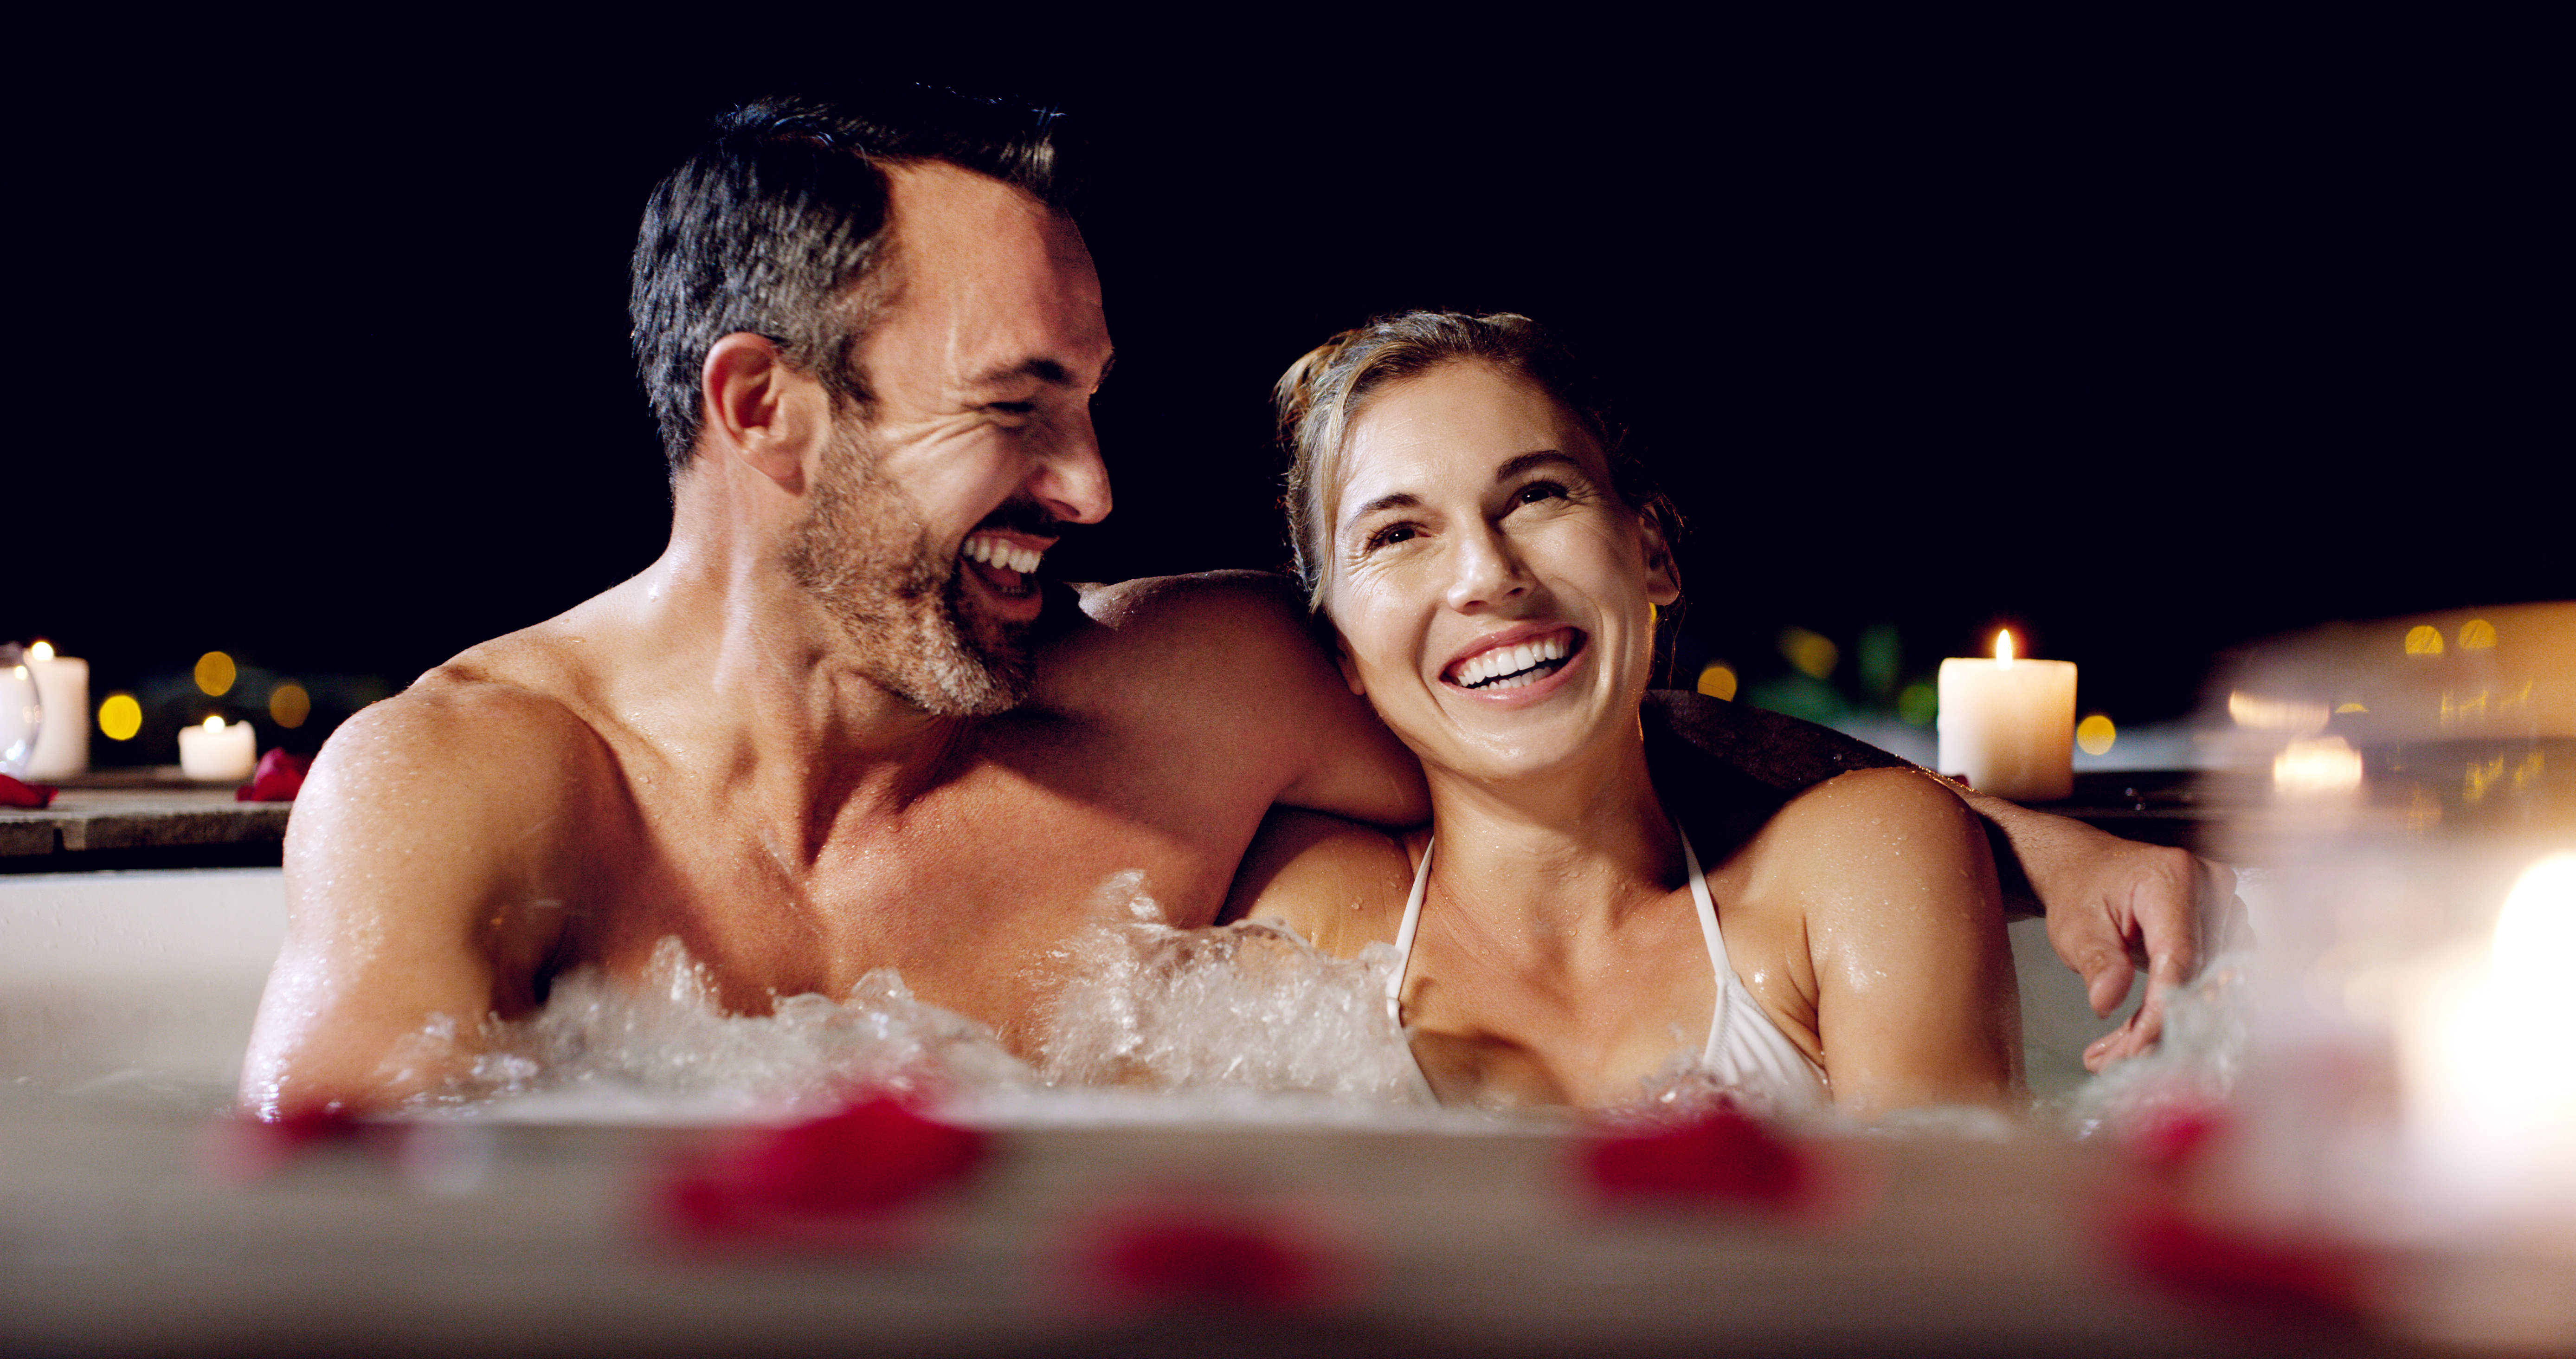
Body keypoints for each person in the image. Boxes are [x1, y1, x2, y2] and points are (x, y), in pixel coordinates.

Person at [243, 92, 2224, 1119]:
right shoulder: (468, 791)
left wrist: (1987, 827)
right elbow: (335, 1265)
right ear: (764, 409)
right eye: (1020, 414)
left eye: (1093, 408)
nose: (1095, 492)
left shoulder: (1189, 695)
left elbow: (1550, 711)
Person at [1225, 312, 2019, 1112]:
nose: (1486, 574)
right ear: (1342, 653)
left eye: (1536, 494)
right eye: (1397, 534)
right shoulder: (1309, 919)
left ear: (1652, 554)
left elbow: (1944, 1228)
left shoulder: (1855, 870)